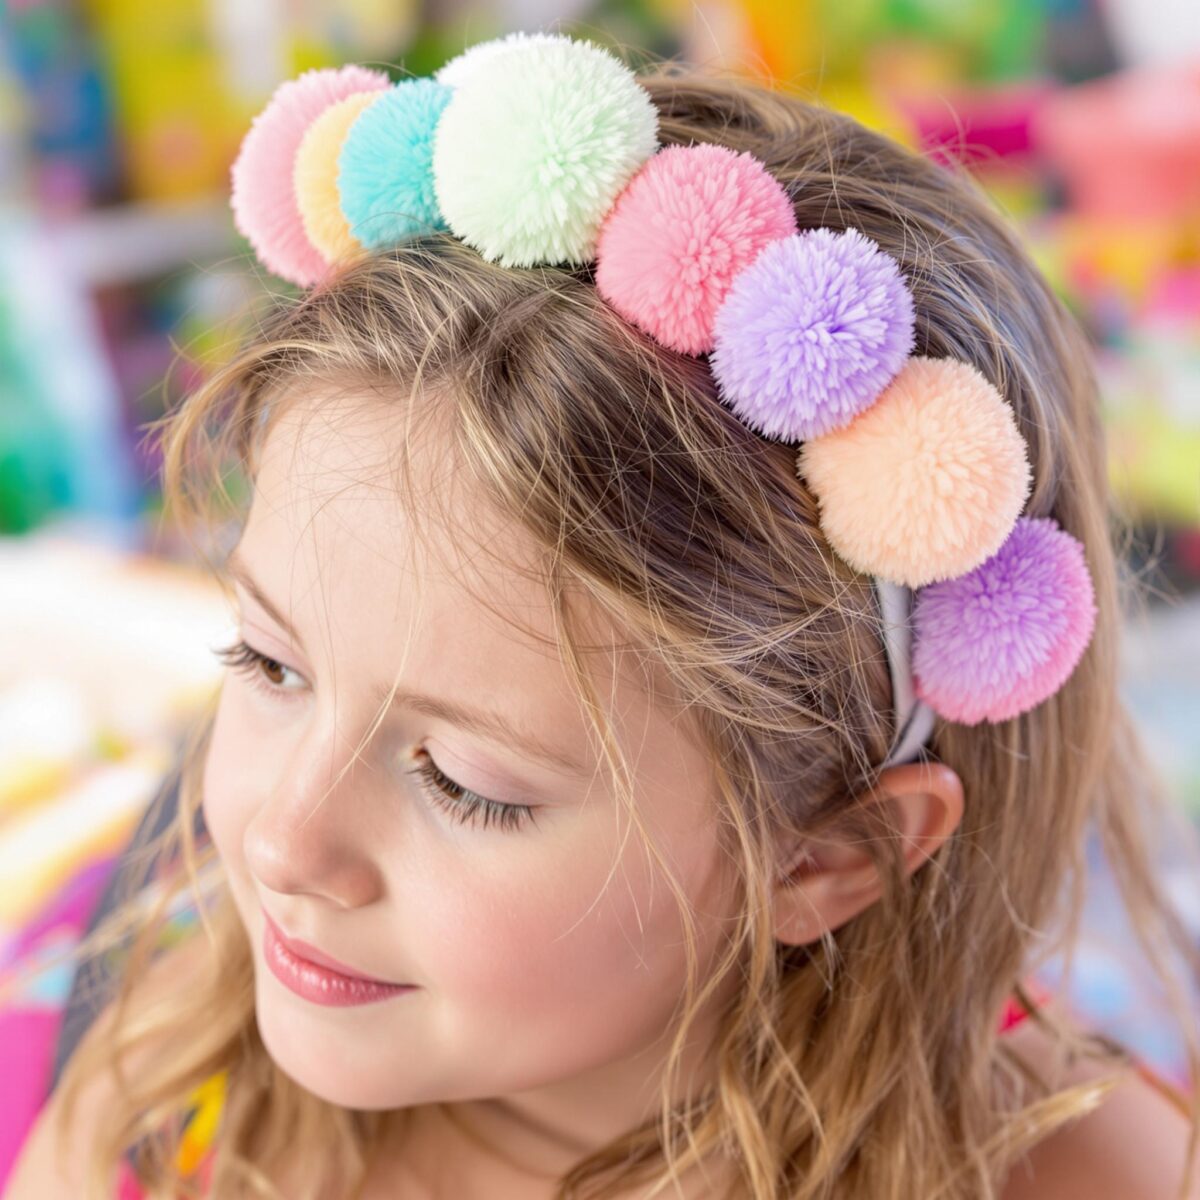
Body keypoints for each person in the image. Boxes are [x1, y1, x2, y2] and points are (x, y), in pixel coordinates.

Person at [7, 30, 1200, 1200]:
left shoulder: (1070, 1176)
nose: (278, 845)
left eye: (466, 782)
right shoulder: (164, 1102)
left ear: (831, 856)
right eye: (267, 664)